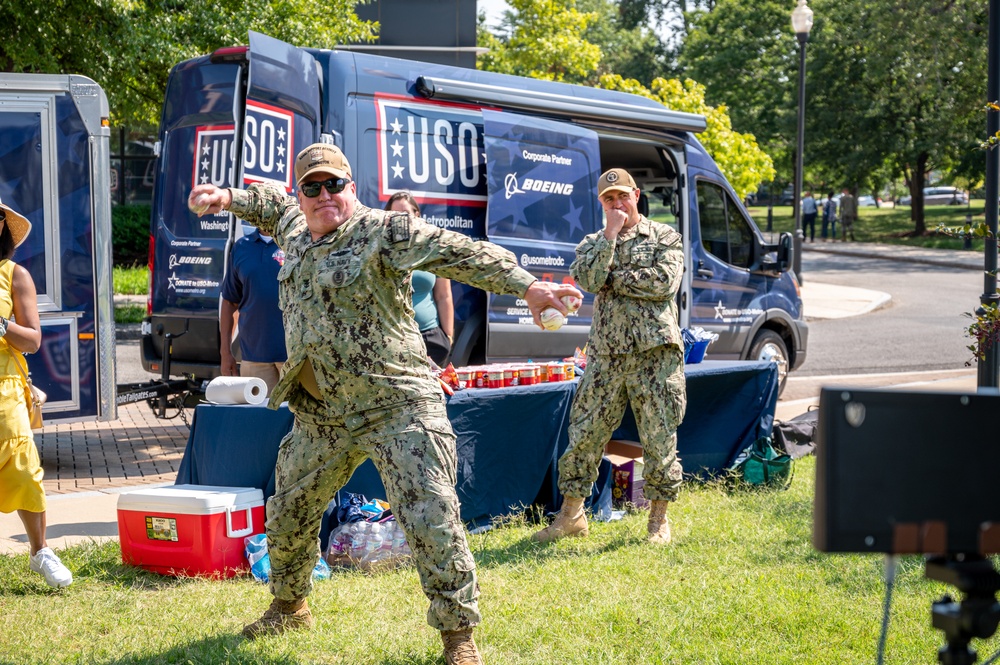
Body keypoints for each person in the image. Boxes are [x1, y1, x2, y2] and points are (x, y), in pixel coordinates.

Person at [188, 143, 580, 665]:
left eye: (335, 185)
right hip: (324, 409)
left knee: (430, 514)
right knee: (288, 508)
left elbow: (462, 253)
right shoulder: (295, 229)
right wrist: (226, 197)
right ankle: (289, 605)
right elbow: (266, 203)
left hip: (398, 404)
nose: (325, 195)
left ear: (352, 187)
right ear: (300, 195)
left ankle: (458, 637)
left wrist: (528, 287)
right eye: (312, 187)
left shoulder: (384, 230)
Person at [532, 168, 686, 547]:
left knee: (659, 436)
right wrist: (611, 237)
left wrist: (613, 278)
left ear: (636, 195)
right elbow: (586, 279)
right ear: (601, 203)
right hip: (606, 356)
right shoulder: (594, 242)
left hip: (654, 354)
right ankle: (571, 516)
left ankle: (658, 520)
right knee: (585, 434)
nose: (617, 204)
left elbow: (663, 282)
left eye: (623, 196)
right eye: (608, 199)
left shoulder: (665, 235)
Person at [0, 199, 72, 588]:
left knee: (25, 470)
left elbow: (32, 340)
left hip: (5, 388)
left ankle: (40, 551)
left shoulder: (15, 274)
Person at [384, 192, 454, 366]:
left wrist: (448, 336)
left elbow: (444, 296)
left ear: (417, 214)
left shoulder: (432, 248)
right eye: (395, 214)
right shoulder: (382, 251)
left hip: (431, 339)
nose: (402, 219)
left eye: (406, 213)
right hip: (395, 338)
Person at [219, 225, 287, 393]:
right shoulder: (242, 247)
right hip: (254, 358)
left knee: (298, 418)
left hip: (295, 358)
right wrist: (225, 353)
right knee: (260, 418)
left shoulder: (298, 242)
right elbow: (229, 303)